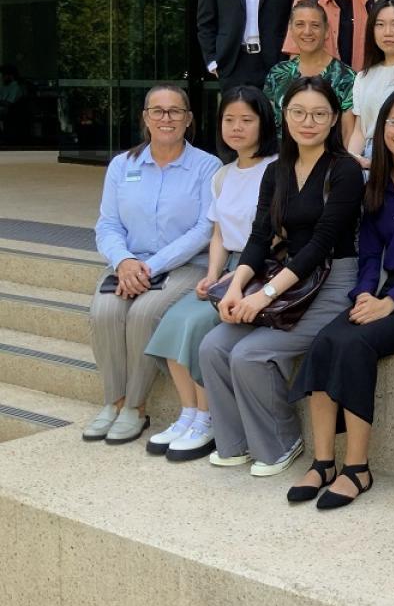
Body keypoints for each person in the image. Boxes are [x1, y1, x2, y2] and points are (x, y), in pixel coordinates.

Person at [289, 88, 394, 509]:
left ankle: (358, 467)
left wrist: (390, 301)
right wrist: (364, 292)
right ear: (381, 128)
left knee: (355, 344)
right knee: (325, 340)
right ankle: (324, 460)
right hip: (379, 291)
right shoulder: (375, 183)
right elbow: (369, 252)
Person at [200, 76, 364, 477]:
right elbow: (259, 237)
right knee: (213, 346)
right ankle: (235, 443)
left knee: (250, 353)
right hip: (287, 280)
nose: (308, 121)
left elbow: (321, 244)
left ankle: (280, 442)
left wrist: (264, 295)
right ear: (285, 116)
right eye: (299, 112)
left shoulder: (343, 170)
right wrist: (236, 288)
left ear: (333, 120)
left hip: (332, 282)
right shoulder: (277, 171)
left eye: (319, 114)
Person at [143, 87, 278, 460]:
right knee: (173, 319)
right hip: (228, 269)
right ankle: (189, 412)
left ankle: (208, 417)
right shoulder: (223, 174)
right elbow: (218, 232)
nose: (236, 128)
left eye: (246, 120)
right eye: (229, 120)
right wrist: (213, 273)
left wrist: (230, 279)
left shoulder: (277, 169)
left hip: (262, 270)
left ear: (264, 123)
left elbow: (272, 237)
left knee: (201, 326)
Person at [85, 85, 220, 445]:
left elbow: (205, 228)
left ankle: (135, 407)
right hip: (129, 264)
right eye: (157, 111)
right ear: (145, 117)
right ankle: (112, 401)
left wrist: (152, 266)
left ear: (188, 119)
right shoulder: (122, 165)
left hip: (185, 265)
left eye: (175, 111)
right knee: (104, 311)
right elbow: (108, 224)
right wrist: (125, 260)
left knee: (144, 313)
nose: (166, 118)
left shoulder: (207, 166)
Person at [347, 0, 394, 169]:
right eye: (380, 24)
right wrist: (352, 159)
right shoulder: (363, 77)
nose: (388, 32)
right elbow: (360, 130)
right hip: (365, 158)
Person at [263, 0, 355, 143]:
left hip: (329, 161)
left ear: (326, 31)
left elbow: (348, 132)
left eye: (315, 25)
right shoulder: (277, 73)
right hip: (281, 159)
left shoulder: (346, 77)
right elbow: (267, 126)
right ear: (291, 30)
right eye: (300, 24)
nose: (307, 31)